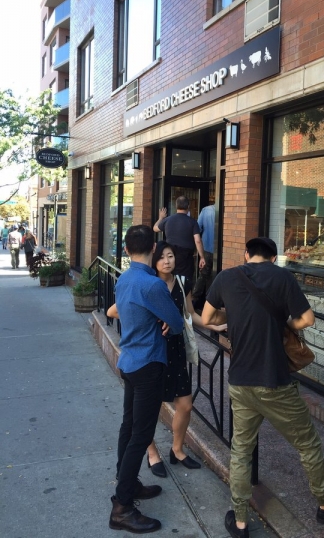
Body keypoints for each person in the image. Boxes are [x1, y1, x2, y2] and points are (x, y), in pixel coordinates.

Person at [202, 237, 324, 538]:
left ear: (246, 254)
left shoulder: (226, 277)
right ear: (273, 258)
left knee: (241, 451)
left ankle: (240, 521)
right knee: (307, 444)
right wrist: (284, 326)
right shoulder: (283, 277)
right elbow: (307, 319)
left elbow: (207, 317)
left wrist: (233, 318)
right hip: (275, 382)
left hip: (240, 381)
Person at [108, 240, 227, 479]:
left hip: (176, 351)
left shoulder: (182, 283)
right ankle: (152, 453)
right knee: (147, 411)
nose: (166, 261)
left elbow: (189, 314)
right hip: (153, 353)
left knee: (185, 405)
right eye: (162, 257)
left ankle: (177, 449)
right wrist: (150, 319)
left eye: (170, 256)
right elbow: (114, 311)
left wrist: (215, 325)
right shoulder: (148, 283)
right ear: (153, 259)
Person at [108, 225, 184, 534]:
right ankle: (122, 507)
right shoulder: (153, 285)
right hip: (149, 364)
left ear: (127, 250)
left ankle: (127, 484)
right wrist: (166, 322)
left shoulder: (124, 279)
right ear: (153, 248)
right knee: (140, 434)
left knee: (129, 428)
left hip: (129, 361)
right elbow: (177, 322)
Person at [153, 196, 206, 283]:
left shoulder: (168, 220)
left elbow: (155, 228)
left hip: (171, 254)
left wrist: (160, 218)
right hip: (186, 257)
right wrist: (202, 257)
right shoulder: (192, 222)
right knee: (185, 281)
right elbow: (198, 240)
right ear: (188, 206)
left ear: (176, 206)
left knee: (171, 279)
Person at [192, 203, 215, 308]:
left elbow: (198, 228)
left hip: (206, 247)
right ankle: (210, 303)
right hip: (220, 250)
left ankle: (194, 300)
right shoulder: (227, 210)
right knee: (213, 277)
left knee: (204, 275)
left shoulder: (206, 210)